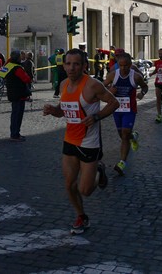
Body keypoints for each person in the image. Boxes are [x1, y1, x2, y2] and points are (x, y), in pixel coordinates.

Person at [43, 48, 119, 235]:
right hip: (70, 140)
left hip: (88, 142)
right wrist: (54, 110)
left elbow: (114, 103)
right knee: (69, 184)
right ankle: (81, 216)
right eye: (68, 64)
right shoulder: (63, 85)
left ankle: (99, 171)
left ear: (84, 66)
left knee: (85, 190)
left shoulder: (93, 85)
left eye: (76, 64)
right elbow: (64, 110)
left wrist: (96, 117)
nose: (71, 68)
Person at [103, 53, 148, 175]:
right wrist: (109, 91)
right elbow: (101, 88)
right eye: (121, 65)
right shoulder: (113, 75)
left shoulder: (136, 77)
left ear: (130, 65)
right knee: (122, 134)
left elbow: (145, 87)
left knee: (124, 134)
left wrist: (142, 93)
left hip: (130, 109)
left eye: (126, 65)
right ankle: (133, 137)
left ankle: (122, 162)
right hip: (116, 109)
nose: (123, 68)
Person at [0, 51, 32, 141]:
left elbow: (0, 74)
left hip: (12, 93)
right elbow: (27, 79)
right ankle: (15, 134)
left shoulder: (9, 66)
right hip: (19, 93)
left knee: (14, 114)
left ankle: (14, 133)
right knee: (18, 115)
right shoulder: (17, 68)